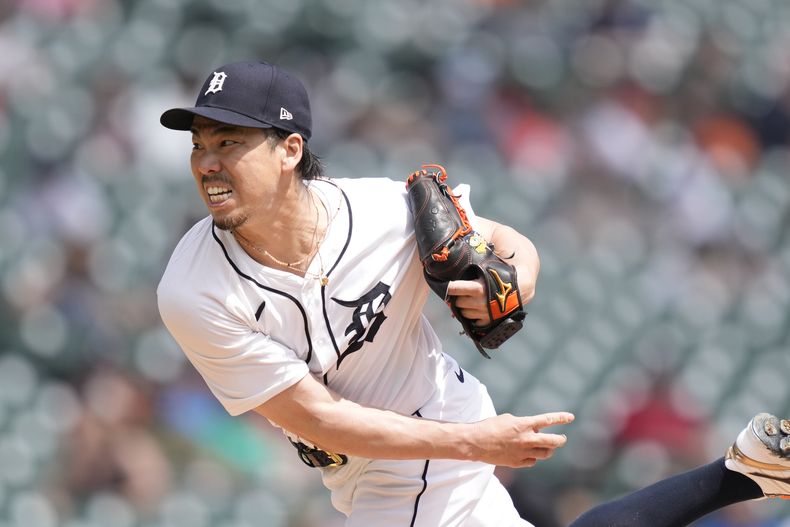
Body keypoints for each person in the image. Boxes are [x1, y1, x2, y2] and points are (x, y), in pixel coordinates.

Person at [157, 61, 790, 526]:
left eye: (229, 143)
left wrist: (511, 282)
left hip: (427, 439)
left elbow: (508, 242)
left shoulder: (382, 211)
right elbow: (320, 420)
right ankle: (742, 470)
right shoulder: (194, 289)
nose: (207, 162)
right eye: (200, 145)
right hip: (392, 458)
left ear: (291, 149)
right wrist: (479, 444)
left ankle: (739, 473)